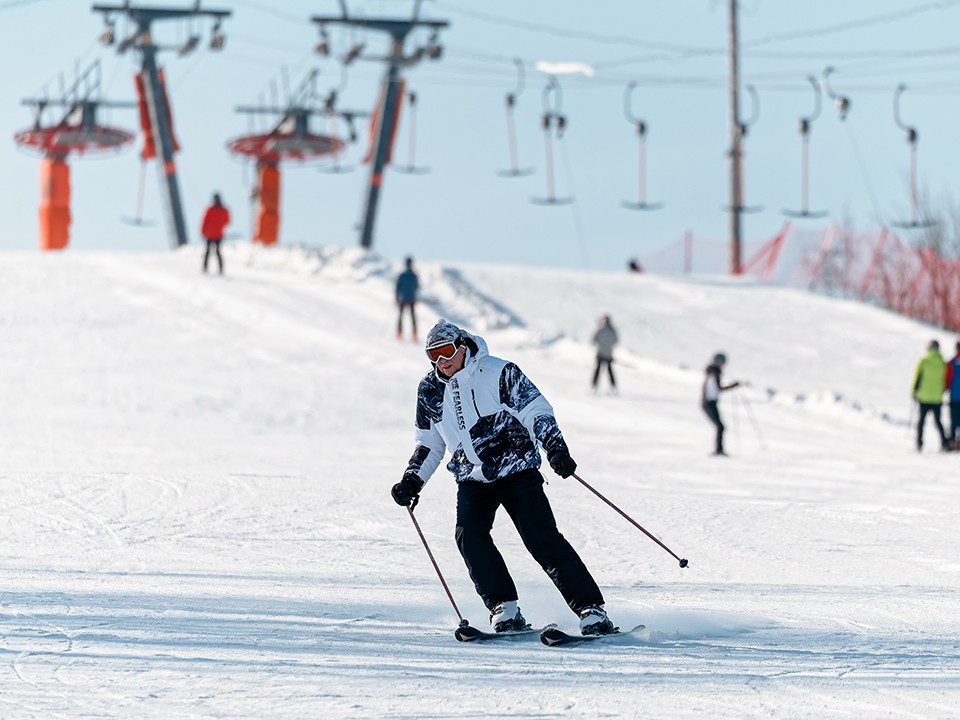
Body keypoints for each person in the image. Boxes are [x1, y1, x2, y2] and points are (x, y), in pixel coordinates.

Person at [391, 319, 617, 636]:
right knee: (469, 536)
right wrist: (412, 481)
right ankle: (504, 607)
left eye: (446, 351)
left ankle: (591, 609)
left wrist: (556, 448)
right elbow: (430, 443)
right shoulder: (429, 390)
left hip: (516, 469)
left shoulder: (498, 371)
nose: (442, 361)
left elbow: (536, 410)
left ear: (461, 345)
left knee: (540, 538)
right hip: (471, 476)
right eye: (433, 355)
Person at [912, 339, 949, 452]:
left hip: (924, 396)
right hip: (937, 397)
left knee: (921, 421)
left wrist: (914, 391)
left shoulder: (924, 360)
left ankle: (919, 444)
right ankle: (944, 443)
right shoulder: (943, 362)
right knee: (938, 422)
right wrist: (942, 391)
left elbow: (917, 377)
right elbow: (945, 380)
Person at [702, 352, 739, 456]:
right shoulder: (714, 373)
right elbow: (718, 388)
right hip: (709, 403)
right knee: (720, 426)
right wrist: (732, 386)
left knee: (720, 426)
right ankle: (718, 450)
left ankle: (719, 449)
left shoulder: (711, 372)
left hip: (709, 402)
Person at [200, 193, 230, 275]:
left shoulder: (222, 210)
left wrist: (203, 231)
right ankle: (205, 268)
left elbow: (227, 221)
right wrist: (203, 231)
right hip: (211, 235)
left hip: (217, 235)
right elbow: (205, 221)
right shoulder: (211, 210)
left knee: (216, 252)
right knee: (209, 251)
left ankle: (220, 269)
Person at [591, 315, 618, 393]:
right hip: (609, 354)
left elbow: (594, 339)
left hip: (600, 353)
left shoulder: (600, 329)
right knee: (609, 371)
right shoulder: (612, 330)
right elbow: (616, 340)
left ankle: (594, 386)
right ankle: (613, 387)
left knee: (598, 370)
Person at [395, 256, 419, 341]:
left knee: (401, 317)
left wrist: (396, 298)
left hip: (403, 298)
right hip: (411, 298)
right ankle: (414, 335)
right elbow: (417, 286)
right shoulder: (414, 275)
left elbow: (397, 287)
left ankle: (399, 334)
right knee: (412, 317)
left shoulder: (402, 275)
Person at [947, 341, 960, 448]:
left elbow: (947, 379)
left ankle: (952, 443)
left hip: (954, 398)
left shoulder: (951, 362)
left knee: (953, 422)